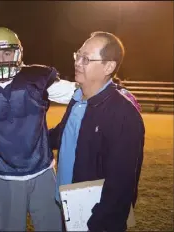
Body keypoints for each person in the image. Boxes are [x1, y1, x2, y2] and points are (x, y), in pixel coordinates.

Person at [0, 27, 77, 231]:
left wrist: (114, 92)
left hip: (42, 168)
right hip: (5, 174)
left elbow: (79, 93)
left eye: (6, 52)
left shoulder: (36, 78)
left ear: (17, 53)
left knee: (52, 226)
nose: (1, 59)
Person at [49, 31, 145, 232]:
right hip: (68, 204)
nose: (77, 63)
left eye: (86, 58)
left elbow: (121, 183)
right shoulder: (78, 97)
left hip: (95, 217)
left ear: (108, 67)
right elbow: (63, 134)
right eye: (78, 55)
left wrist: (99, 223)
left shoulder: (123, 113)